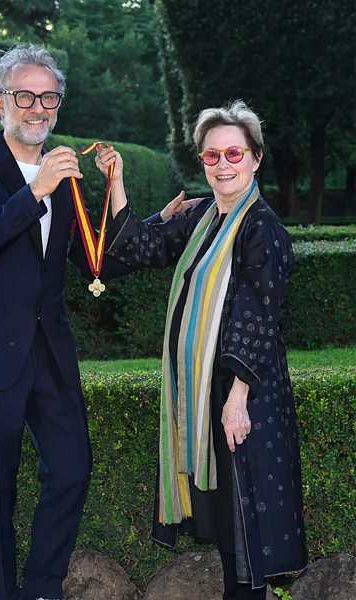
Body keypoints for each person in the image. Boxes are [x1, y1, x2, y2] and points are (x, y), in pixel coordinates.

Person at [0, 44, 133, 600]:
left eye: (49, 97)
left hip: (49, 350)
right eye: (25, 95)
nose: (38, 107)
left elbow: (93, 260)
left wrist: (127, 202)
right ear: (1, 100)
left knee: (71, 471)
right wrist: (34, 189)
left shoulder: (67, 172)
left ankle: (40, 589)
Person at [96, 100, 308, 598]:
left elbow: (258, 316)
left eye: (234, 153)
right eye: (212, 156)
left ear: (256, 158)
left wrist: (237, 401)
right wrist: (117, 181)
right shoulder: (205, 218)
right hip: (202, 392)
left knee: (245, 528)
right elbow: (142, 247)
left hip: (242, 394)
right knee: (227, 528)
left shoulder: (262, 229)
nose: (223, 164)